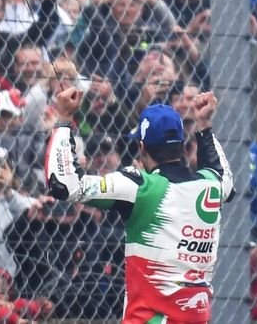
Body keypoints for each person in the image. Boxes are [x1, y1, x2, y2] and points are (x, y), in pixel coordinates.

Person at [45, 90, 234, 323]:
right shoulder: (212, 186)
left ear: (142, 147)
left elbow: (63, 184)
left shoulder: (141, 187)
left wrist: (63, 120)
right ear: (181, 145)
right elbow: (223, 177)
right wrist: (204, 125)